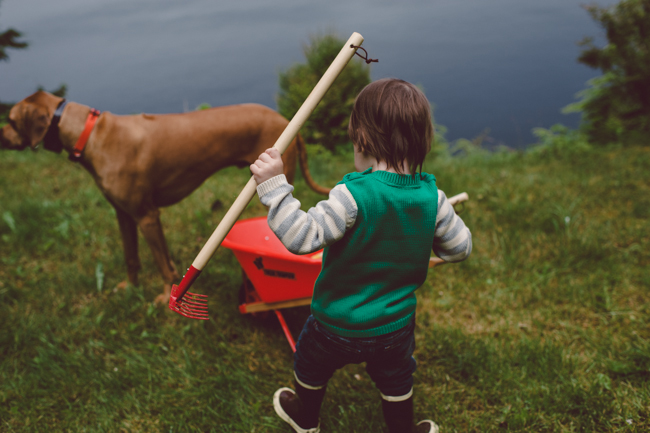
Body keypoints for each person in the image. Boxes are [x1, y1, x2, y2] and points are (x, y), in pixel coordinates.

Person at [250, 78, 472, 433]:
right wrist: (428, 228)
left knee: (309, 367)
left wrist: (275, 188)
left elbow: (302, 237)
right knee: (397, 379)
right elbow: (460, 248)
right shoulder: (434, 199)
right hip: (394, 327)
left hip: (333, 324)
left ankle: (306, 418)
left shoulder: (351, 195)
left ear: (363, 140)